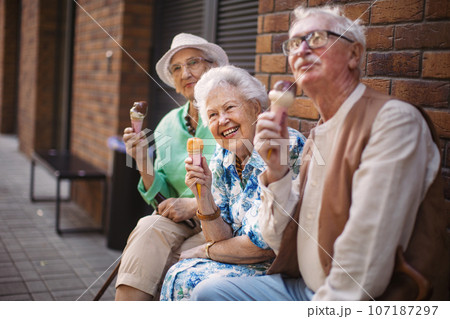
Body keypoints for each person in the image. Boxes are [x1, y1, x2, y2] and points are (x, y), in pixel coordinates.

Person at [191, 5, 449, 301]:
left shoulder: (392, 122)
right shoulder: (318, 136)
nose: (301, 50)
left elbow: (363, 267)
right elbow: (278, 239)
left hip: (360, 298)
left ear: (354, 54)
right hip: (301, 284)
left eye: (316, 39)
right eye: (293, 43)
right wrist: (277, 173)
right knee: (209, 293)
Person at [159, 65, 305, 300]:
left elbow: (263, 246)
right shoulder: (223, 155)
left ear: (255, 108)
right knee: (179, 273)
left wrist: (205, 251)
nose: (223, 120)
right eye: (213, 115)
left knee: (190, 277)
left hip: (282, 268)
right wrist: (203, 194)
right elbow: (219, 236)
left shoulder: (284, 146)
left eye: (229, 108)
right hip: (244, 261)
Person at [115, 33, 229, 301]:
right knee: (146, 228)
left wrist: (194, 205)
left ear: (213, 68)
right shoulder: (167, 123)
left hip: (222, 221)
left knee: (168, 264)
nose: (185, 72)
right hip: (183, 222)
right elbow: (161, 200)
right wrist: (142, 159)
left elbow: (244, 182)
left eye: (193, 62)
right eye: (177, 68)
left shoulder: (229, 115)